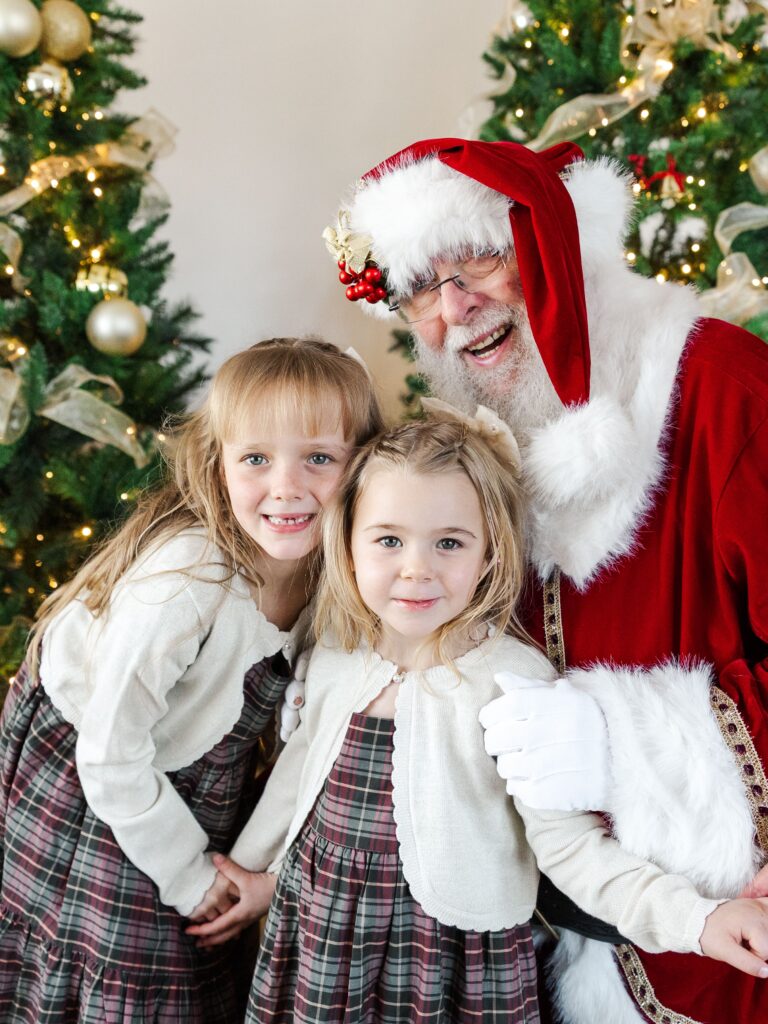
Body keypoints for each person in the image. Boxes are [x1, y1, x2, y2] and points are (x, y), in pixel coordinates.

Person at [316, 139, 768, 1023]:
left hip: (733, 926)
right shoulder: (482, 440)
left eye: (477, 259)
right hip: (575, 935)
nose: (458, 308)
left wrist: (614, 735)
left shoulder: (717, 384)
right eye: (421, 288)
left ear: (548, 250)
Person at [189, 411, 768, 1024]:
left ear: (489, 554)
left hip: (448, 965)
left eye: (448, 542)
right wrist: (256, 876)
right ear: (348, 544)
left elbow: (571, 849)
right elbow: (298, 785)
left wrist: (699, 919)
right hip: (323, 938)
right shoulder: (337, 651)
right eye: (388, 540)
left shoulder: (513, 683)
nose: (417, 569)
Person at [0, 337, 384, 1024]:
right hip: (93, 763)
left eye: (319, 458)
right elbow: (111, 755)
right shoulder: (186, 580)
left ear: (363, 466)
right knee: (114, 963)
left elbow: (312, 744)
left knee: (194, 962)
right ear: (220, 463)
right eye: (257, 459)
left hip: (188, 776)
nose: (287, 487)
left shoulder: (341, 582)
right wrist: (189, 877)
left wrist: (257, 875)